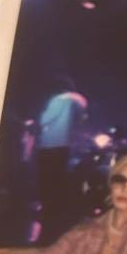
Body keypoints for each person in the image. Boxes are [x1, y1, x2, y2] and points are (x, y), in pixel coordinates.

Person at [36, 75, 90, 244]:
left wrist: (39, 118)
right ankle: (57, 218)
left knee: (47, 183)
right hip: (65, 146)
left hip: (50, 145)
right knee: (59, 181)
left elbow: (44, 120)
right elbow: (82, 118)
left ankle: (47, 220)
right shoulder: (76, 103)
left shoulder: (57, 100)